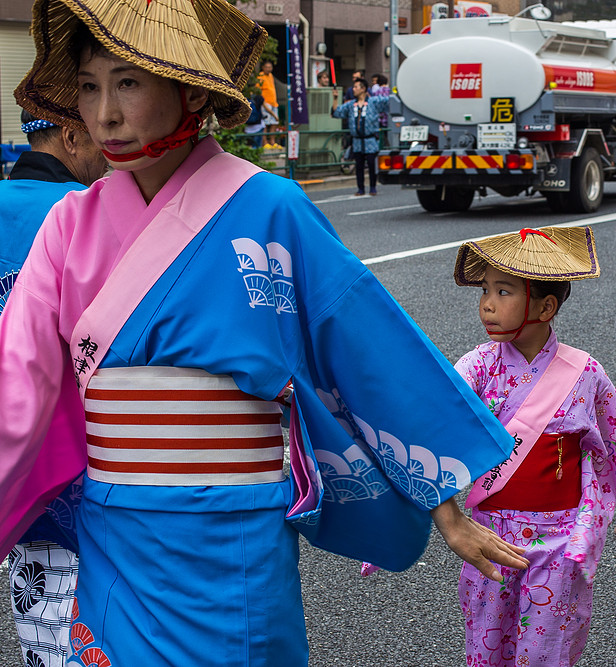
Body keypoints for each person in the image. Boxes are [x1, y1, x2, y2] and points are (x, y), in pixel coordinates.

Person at [5, 1, 528, 664]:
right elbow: (13, 394)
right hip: (117, 536)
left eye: (127, 83)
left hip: (234, 539)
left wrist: (443, 501)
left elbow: (368, 346)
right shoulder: (66, 229)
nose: (103, 113)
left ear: (190, 89)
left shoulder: (272, 209)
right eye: (88, 86)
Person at [452, 227, 616, 666]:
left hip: (560, 535)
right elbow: (438, 423)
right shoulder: (476, 367)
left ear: (545, 307)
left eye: (502, 291)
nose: (486, 303)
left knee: (549, 645)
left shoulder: (585, 371)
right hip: (492, 531)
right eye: (485, 290)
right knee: (488, 637)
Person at [2, 110, 106, 667]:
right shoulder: (88, 216)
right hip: (93, 479)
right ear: (71, 135)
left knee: (42, 640)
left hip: (15, 484)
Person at [334, 76, 388, 196]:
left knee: (372, 165)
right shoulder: (351, 105)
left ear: (363, 89)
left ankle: (373, 187)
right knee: (358, 166)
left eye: (356, 87)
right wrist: (335, 99)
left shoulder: (373, 101)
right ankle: (360, 188)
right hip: (357, 141)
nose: (353, 89)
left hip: (370, 140)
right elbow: (337, 112)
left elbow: (388, 102)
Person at [256, 59, 280, 148]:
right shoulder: (260, 77)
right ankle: (265, 142)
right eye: (266, 67)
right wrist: (263, 103)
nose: (268, 69)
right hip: (265, 103)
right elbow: (258, 91)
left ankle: (272, 142)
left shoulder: (271, 76)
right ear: (263, 68)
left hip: (274, 102)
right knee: (265, 123)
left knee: (274, 123)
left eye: (270, 67)